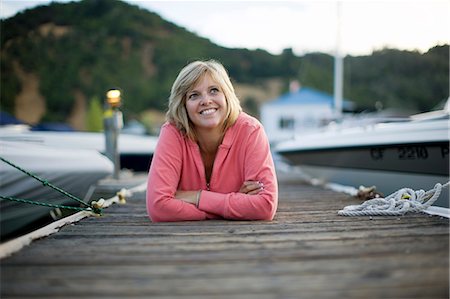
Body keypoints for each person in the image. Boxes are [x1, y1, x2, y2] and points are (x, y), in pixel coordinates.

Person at [146, 60, 278, 222]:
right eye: (194, 95)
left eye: (214, 90)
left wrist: (198, 197)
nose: (206, 101)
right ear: (183, 104)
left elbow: (265, 206)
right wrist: (233, 204)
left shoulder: (251, 131)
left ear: (227, 95)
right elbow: (158, 207)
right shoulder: (173, 132)